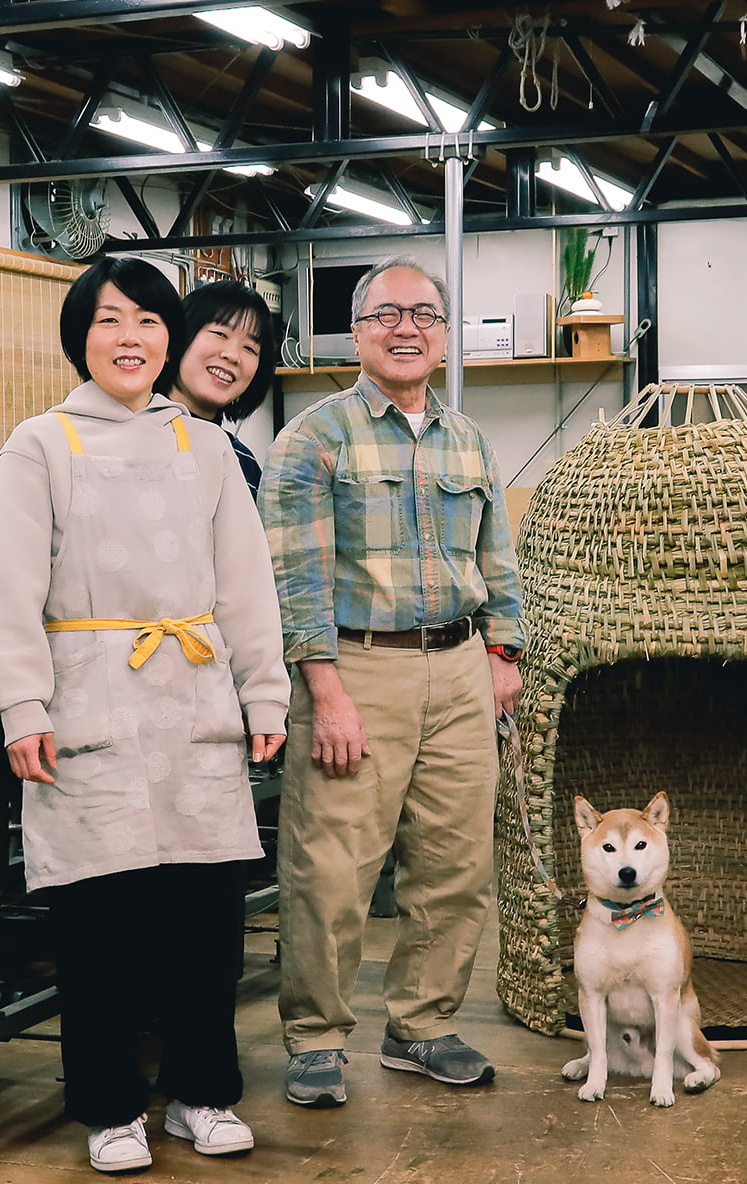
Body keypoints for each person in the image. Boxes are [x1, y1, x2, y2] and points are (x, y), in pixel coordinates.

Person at [0, 256, 288, 1174]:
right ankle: (111, 1108)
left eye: (149, 321)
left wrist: (263, 689)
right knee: (101, 927)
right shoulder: (41, 443)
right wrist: (22, 706)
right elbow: (9, 590)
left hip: (192, 695)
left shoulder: (203, 449)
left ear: (169, 340)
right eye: (111, 321)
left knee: (204, 919)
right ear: (82, 336)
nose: (131, 339)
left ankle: (202, 1093)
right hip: (91, 698)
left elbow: (246, 584)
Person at [259, 253, 523, 1108]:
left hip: (457, 669)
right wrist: (324, 689)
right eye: (386, 315)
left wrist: (502, 654)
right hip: (356, 668)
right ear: (357, 332)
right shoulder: (313, 438)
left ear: (444, 336)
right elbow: (294, 577)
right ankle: (317, 1037)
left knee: (455, 863)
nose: (406, 328)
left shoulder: (469, 439)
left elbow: (497, 558)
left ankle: (422, 1027)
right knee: (333, 867)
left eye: (424, 315)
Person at [162, 279, 280, 497]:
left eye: (250, 348)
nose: (233, 355)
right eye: (220, 334)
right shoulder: (134, 439)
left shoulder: (243, 464)